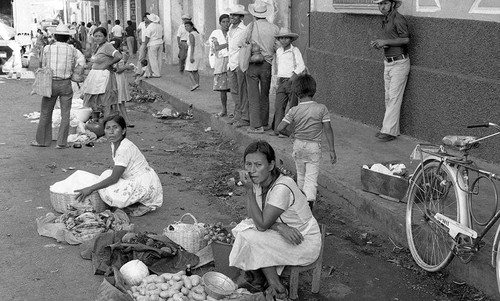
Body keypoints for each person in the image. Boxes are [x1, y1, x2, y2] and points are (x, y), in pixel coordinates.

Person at [229, 140, 321, 301]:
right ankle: (273, 284)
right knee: (245, 230)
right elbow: (253, 217)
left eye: (258, 165)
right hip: (284, 234)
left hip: (303, 241)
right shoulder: (259, 182)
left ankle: (273, 285)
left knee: (250, 235)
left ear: (271, 165)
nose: (252, 170)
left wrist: (249, 192)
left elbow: (262, 224)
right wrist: (280, 227)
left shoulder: (282, 187)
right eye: (248, 164)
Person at [75, 115, 163, 217]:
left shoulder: (124, 149)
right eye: (108, 128)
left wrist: (90, 188)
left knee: (107, 189)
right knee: (106, 174)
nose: (111, 132)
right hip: (142, 179)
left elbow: (114, 179)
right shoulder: (115, 143)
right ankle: (135, 201)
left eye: (115, 128)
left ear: (123, 131)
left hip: (145, 185)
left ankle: (142, 203)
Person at [277, 74, 337, 209]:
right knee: (311, 178)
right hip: (314, 147)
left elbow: (280, 128)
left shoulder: (294, 110)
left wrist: (290, 134)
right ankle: (309, 203)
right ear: (313, 90)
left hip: (298, 145)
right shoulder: (321, 109)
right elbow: (328, 129)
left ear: (296, 93)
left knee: (301, 175)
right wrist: (332, 150)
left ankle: (299, 203)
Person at [30, 24, 85, 149]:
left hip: (50, 83)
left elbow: (42, 63)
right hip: (66, 84)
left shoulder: (47, 48)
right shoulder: (73, 49)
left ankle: (42, 141)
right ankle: (61, 143)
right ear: (68, 38)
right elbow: (82, 63)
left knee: (45, 112)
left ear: (55, 36)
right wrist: (74, 73)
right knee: (65, 114)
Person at [370, 0, 410, 142]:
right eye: (379, 4)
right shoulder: (386, 19)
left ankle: (388, 131)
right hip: (388, 62)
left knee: (393, 97)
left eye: (385, 3)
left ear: (392, 4)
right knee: (389, 97)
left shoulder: (398, 19)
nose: (382, 7)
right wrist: (380, 43)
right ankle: (391, 130)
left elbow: (405, 39)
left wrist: (385, 42)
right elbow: (390, 39)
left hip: (399, 62)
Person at [245, 1, 279, 134]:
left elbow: (243, 42)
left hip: (253, 64)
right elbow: (277, 47)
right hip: (267, 65)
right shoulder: (274, 28)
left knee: (253, 95)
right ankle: (264, 123)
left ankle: (255, 126)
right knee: (264, 94)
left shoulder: (250, 26)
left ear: (254, 15)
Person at [270, 28, 305, 137]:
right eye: (281, 38)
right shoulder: (279, 51)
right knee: (279, 106)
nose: (284, 40)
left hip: (291, 81)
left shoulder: (295, 50)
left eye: (286, 38)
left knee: (292, 106)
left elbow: (301, 65)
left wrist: (293, 75)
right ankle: (278, 130)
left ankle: (289, 130)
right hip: (281, 81)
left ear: (290, 39)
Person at [82, 27, 121, 118]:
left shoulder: (107, 46)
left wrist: (107, 64)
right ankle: (96, 122)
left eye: (100, 36)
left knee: (105, 102)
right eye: (95, 36)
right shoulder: (98, 47)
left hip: (104, 77)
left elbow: (118, 56)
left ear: (105, 37)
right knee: (95, 102)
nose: (97, 38)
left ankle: (106, 124)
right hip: (96, 77)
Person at [226, 4, 250, 128]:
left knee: (242, 91)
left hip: (240, 64)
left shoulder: (244, 30)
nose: (232, 17)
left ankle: (244, 116)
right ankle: (237, 114)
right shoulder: (230, 28)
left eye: (235, 15)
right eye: (231, 15)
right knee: (234, 91)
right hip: (231, 64)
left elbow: (246, 47)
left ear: (241, 17)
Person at [209, 14, 231, 117]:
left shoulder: (232, 32)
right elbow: (216, 47)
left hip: (232, 61)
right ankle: (224, 109)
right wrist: (228, 44)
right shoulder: (215, 33)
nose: (226, 24)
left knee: (234, 88)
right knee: (222, 89)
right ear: (220, 23)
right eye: (224, 22)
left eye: (227, 21)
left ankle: (237, 111)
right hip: (221, 61)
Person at [112, 43, 135, 127]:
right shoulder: (114, 55)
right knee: (119, 101)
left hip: (121, 79)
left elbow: (120, 66)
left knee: (120, 101)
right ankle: (124, 121)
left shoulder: (120, 54)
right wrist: (127, 67)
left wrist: (125, 61)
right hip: (117, 79)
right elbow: (117, 70)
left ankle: (124, 121)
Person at [184, 20, 202, 91]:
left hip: (193, 53)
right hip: (197, 53)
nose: (186, 27)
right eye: (185, 26)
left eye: (188, 26)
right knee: (195, 70)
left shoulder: (191, 34)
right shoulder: (196, 33)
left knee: (188, 70)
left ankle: (195, 84)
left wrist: (191, 56)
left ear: (192, 26)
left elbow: (192, 45)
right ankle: (197, 83)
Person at [144, 13, 164, 78]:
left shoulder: (150, 26)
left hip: (152, 43)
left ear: (150, 20)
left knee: (153, 59)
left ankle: (156, 73)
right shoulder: (159, 26)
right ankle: (159, 72)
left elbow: (147, 37)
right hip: (160, 42)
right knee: (159, 58)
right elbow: (162, 35)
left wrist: (145, 45)